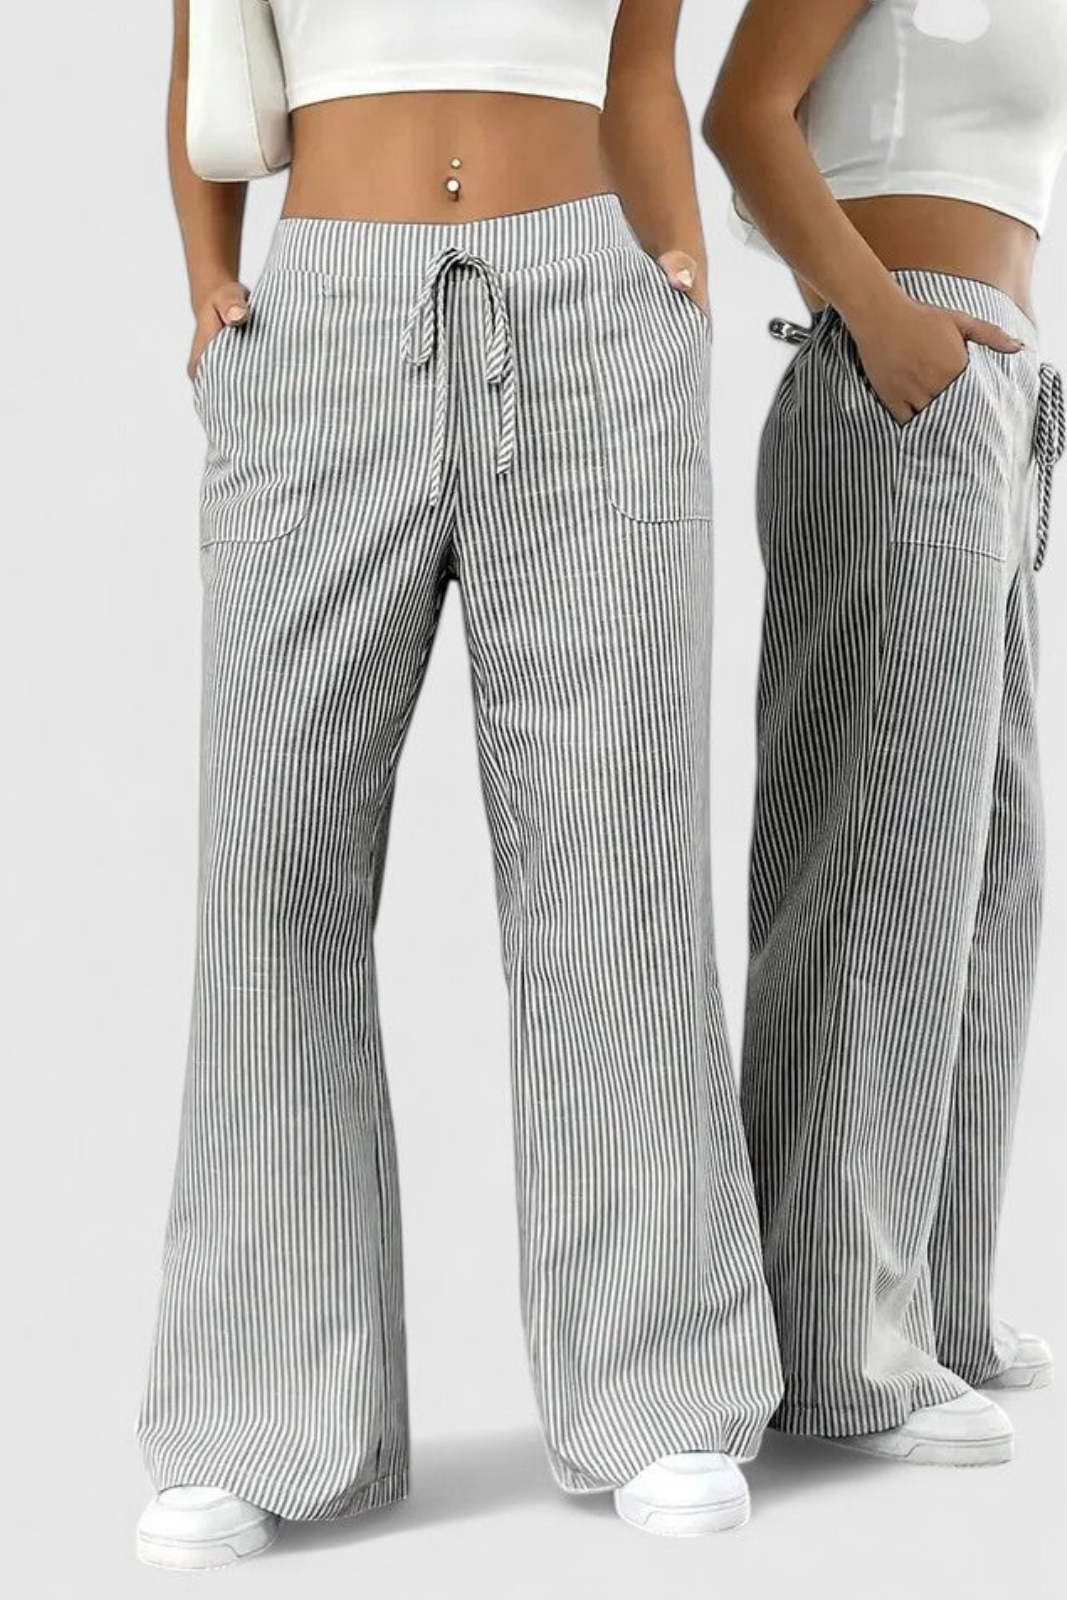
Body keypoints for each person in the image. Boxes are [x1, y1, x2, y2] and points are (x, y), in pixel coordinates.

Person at [135, 0, 784, 1568]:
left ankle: (658, 1388)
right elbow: (204, 59)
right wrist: (208, 282)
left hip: (589, 320)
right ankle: (252, 1413)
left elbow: (640, 72)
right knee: (269, 873)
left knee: (615, 866)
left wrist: (676, 297)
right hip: (320, 321)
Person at [704, 0, 1065, 1466]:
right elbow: (743, 116)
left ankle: (938, 1298)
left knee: (992, 869)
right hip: (901, 384)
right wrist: (878, 314)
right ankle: (836, 1348)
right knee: (875, 871)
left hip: (996, 401)